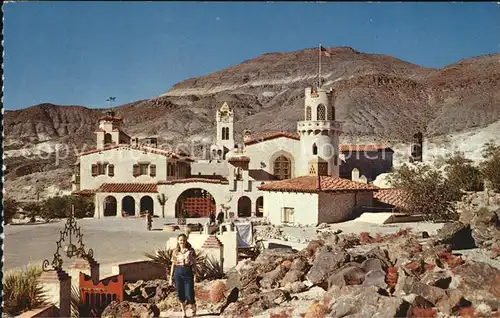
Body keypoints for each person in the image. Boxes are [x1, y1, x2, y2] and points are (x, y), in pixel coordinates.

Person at [169, 234, 197, 317]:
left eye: (184, 240)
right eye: (180, 240)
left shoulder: (191, 251)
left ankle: (193, 306)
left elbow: (194, 264)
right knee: (180, 293)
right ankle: (184, 312)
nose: (182, 242)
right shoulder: (175, 251)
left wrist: (195, 275)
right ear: (178, 241)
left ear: (186, 240)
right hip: (178, 273)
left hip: (188, 272)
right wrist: (171, 277)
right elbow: (173, 264)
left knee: (189, 294)